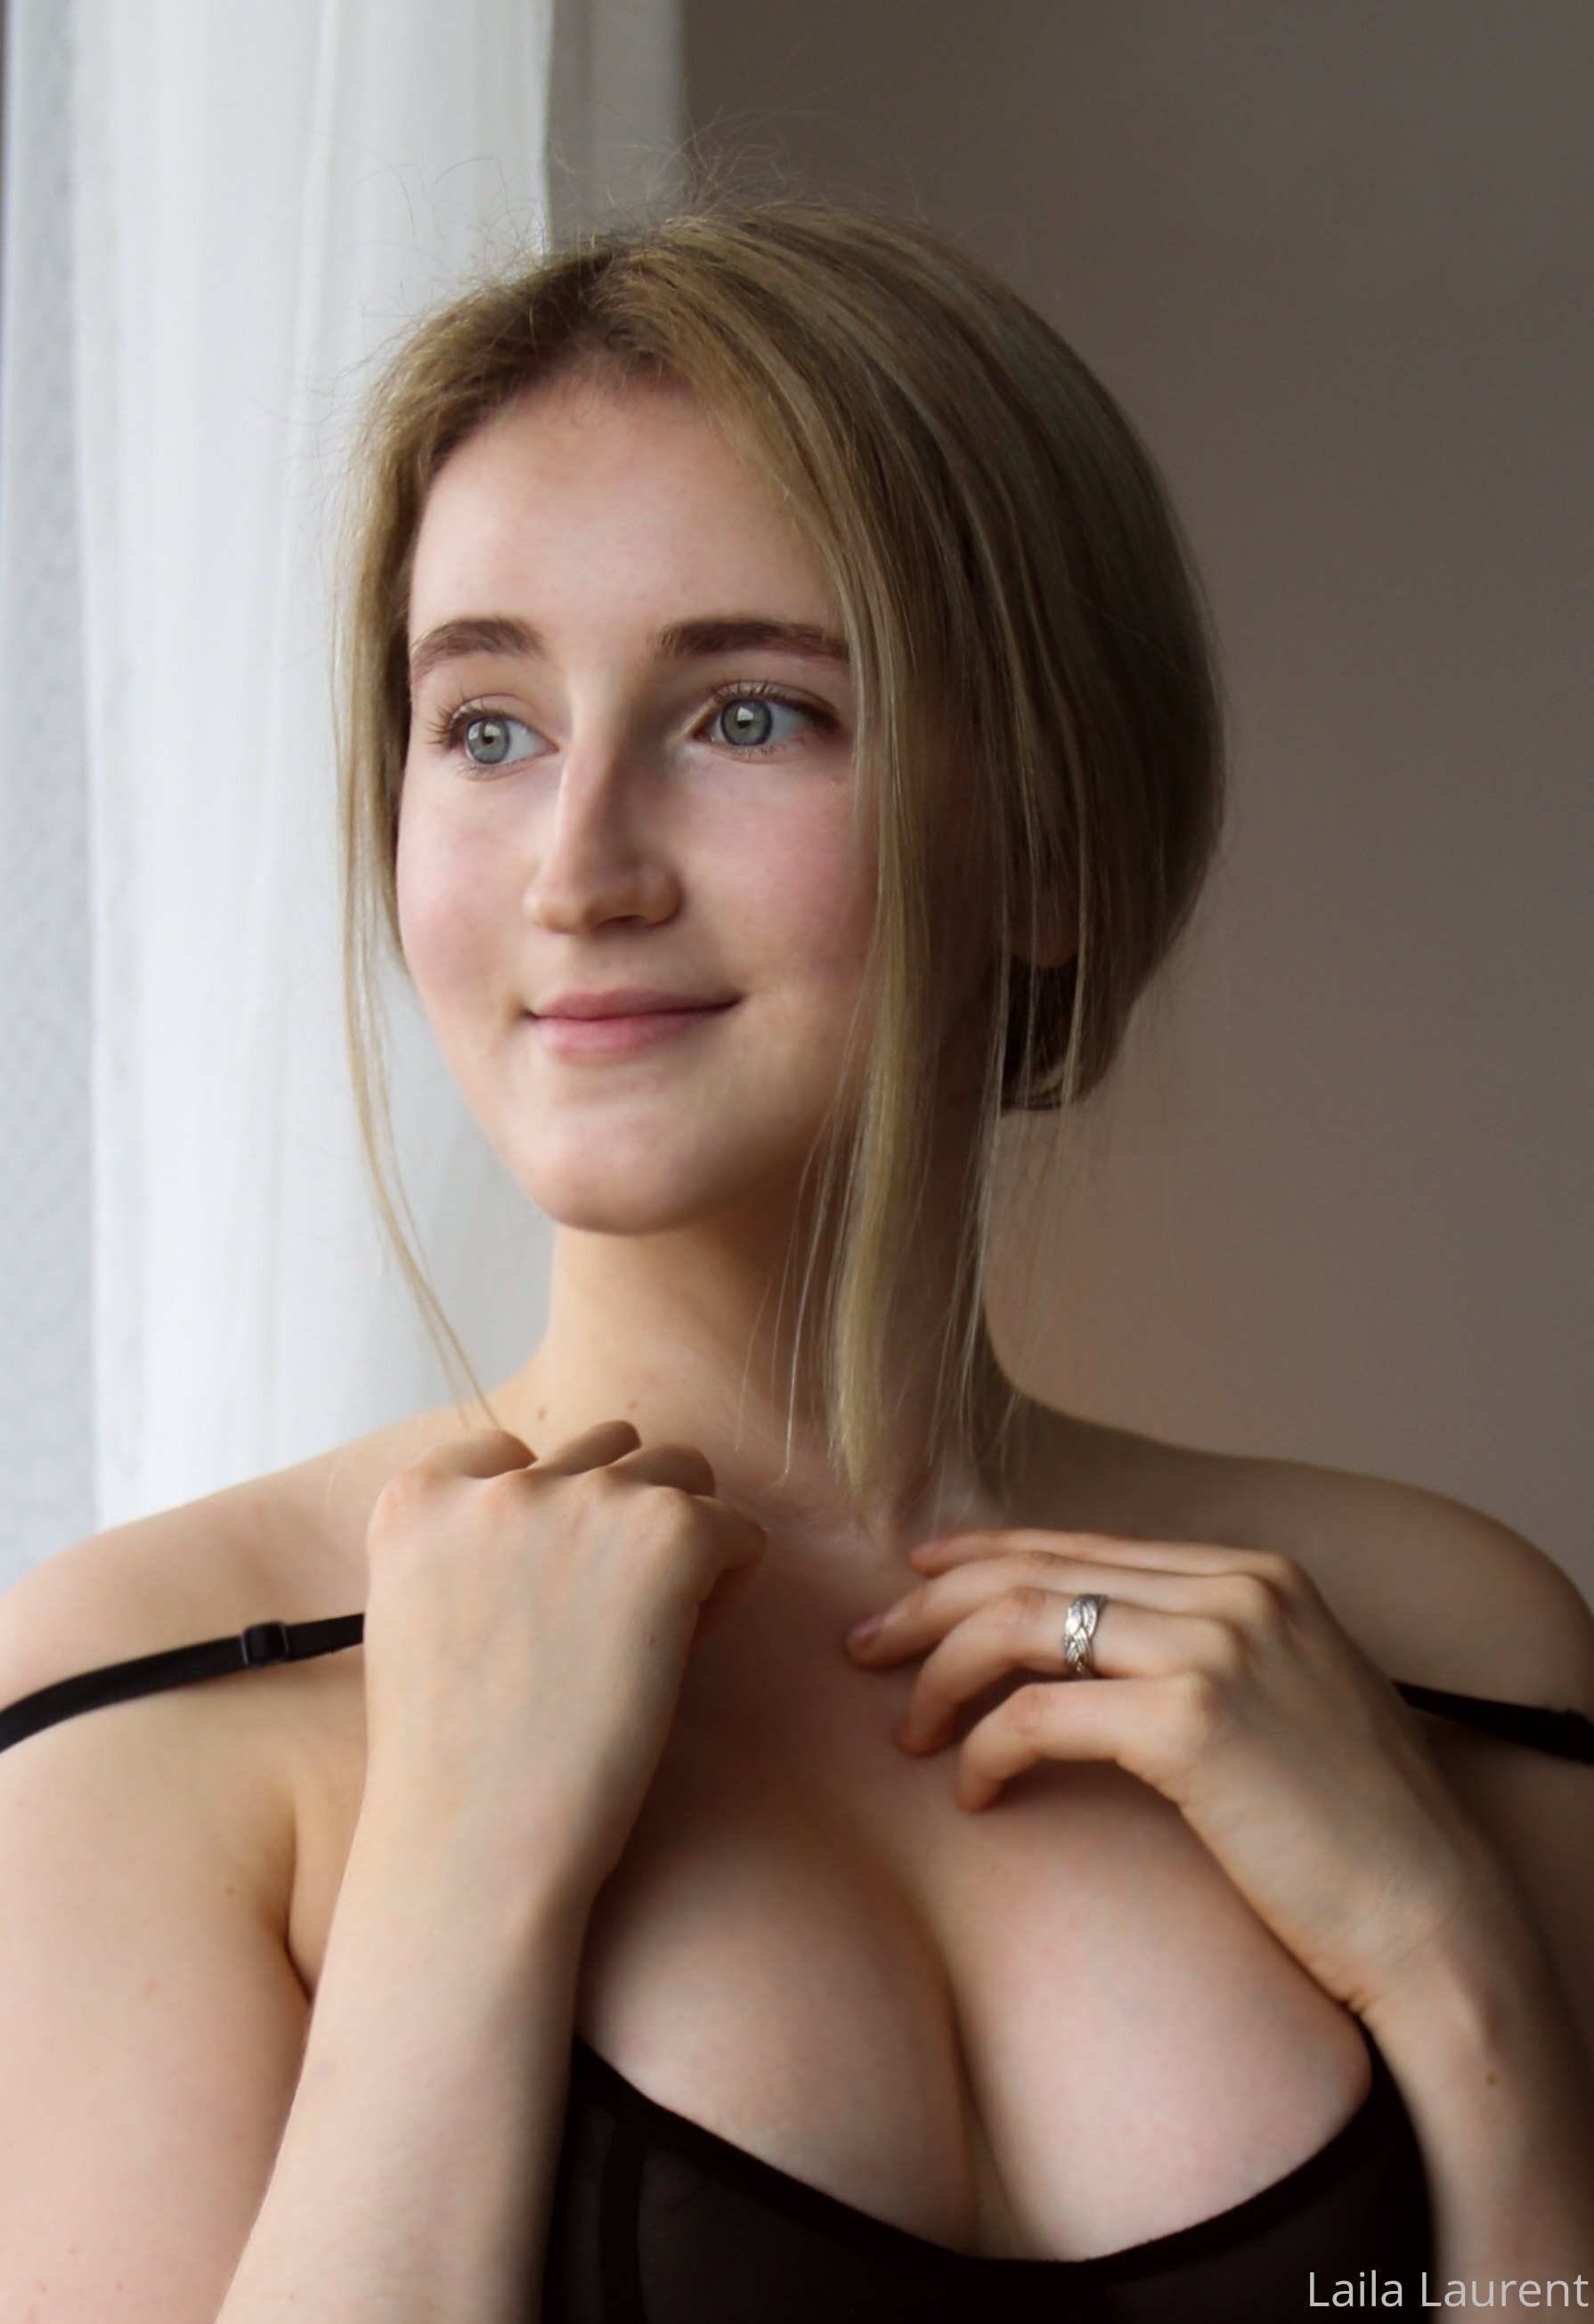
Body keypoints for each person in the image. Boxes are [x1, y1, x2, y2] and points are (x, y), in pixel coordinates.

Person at [0, 194, 1590, 2322]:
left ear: (1045, 841)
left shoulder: (1439, 1653)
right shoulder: (163, 1692)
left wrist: (1454, 1976)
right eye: (488, 728)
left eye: (748, 716)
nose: (577, 871)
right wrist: (453, 1888)